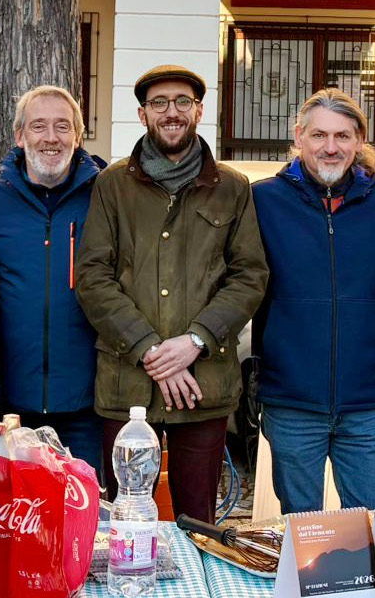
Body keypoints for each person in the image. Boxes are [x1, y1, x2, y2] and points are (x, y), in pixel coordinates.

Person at [75, 64, 268, 522]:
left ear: (198, 111)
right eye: (159, 103)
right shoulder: (112, 185)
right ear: (143, 114)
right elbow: (93, 276)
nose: (172, 112)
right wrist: (150, 349)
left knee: (197, 520)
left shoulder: (232, 188)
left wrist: (196, 340)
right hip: (126, 383)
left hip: (204, 385)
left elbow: (249, 276)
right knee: (126, 517)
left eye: (183, 101)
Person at [251, 89, 375, 513]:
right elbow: (244, 287)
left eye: (342, 136)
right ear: (298, 136)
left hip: (363, 403)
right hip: (291, 401)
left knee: (369, 524)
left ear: (359, 141)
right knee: (302, 529)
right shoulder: (263, 200)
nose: (330, 147)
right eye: (319, 135)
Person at [0, 85, 107, 471]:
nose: (51, 137)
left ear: (78, 137)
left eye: (63, 126)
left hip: (87, 406)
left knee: (83, 505)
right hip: (10, 409)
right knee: (16, 506)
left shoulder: (105, 198)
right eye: (38, 126)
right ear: (19, 136)